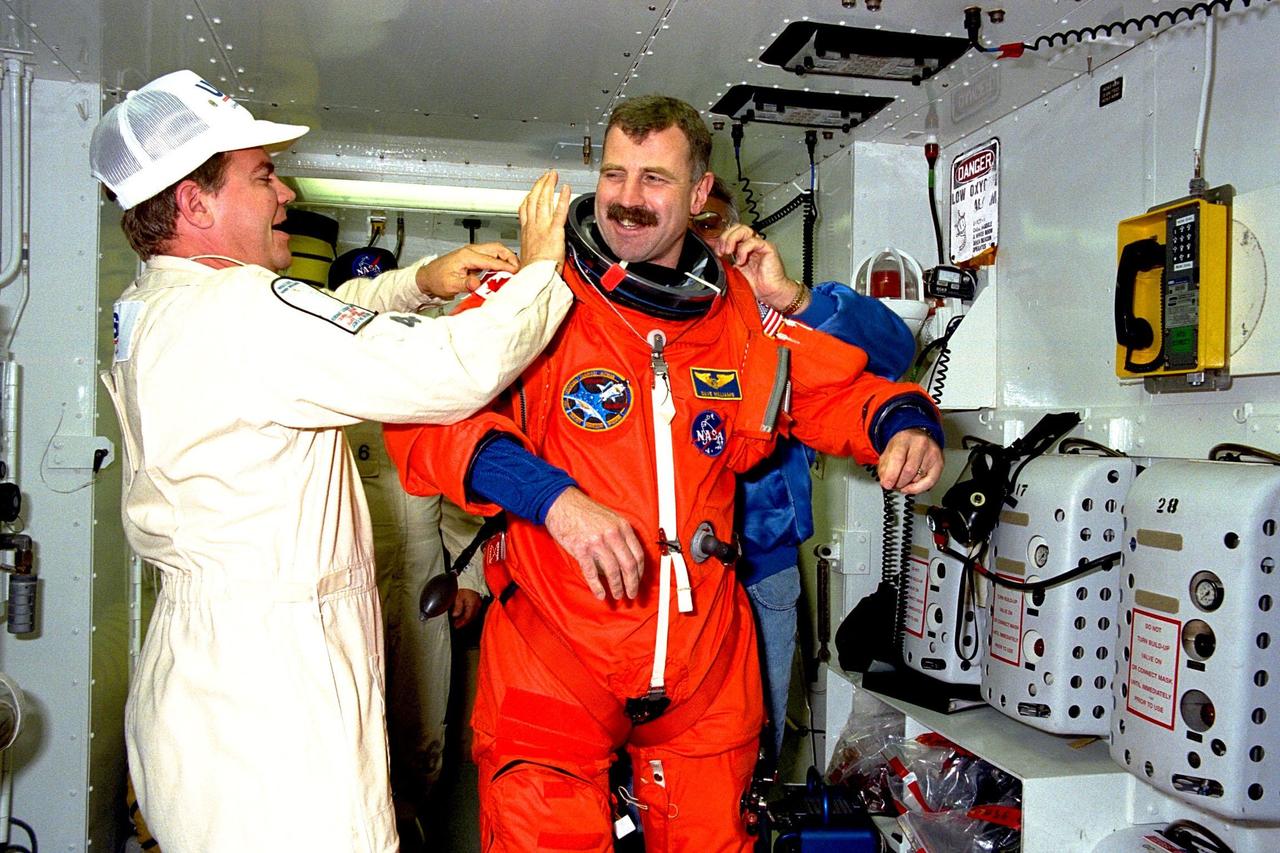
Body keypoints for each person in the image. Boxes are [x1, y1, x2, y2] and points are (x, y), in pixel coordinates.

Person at [384, 94, 943, 851]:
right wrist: (553, 501)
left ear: (700, 192)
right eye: (614, 174)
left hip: (702, 665)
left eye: (654, 178)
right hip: (557, 657)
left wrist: (899, 422)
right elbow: (425, 413)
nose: (626, 198)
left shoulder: (737, 315)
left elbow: (831, 390)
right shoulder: (532, 299)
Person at [90, 69, 573, 852]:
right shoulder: (241, 310)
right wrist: (543, 271)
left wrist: (417, 284)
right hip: (272, 696)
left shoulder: (157, 304)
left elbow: (314, 332)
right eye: (263, 175)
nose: (285, 194)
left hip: (207, 671)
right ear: (195, 204)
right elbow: (448, 372)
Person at [694, 178, 916, 764]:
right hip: (665, 573)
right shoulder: (637, 316)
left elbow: (893, 353)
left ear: (735, 233)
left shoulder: (770, 314)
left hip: (762, 566)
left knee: (753, 752)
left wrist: (789, 297)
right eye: (686, 227)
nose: (699, 239)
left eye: (711, 224)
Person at [345, 418, 486, 848]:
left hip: (423, 575)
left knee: (421, 710)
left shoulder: (428, 404)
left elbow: (455, 493)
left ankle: (411, 821)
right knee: (354, 712)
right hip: (352, 571)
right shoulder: (334, 410)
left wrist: (467, 577)